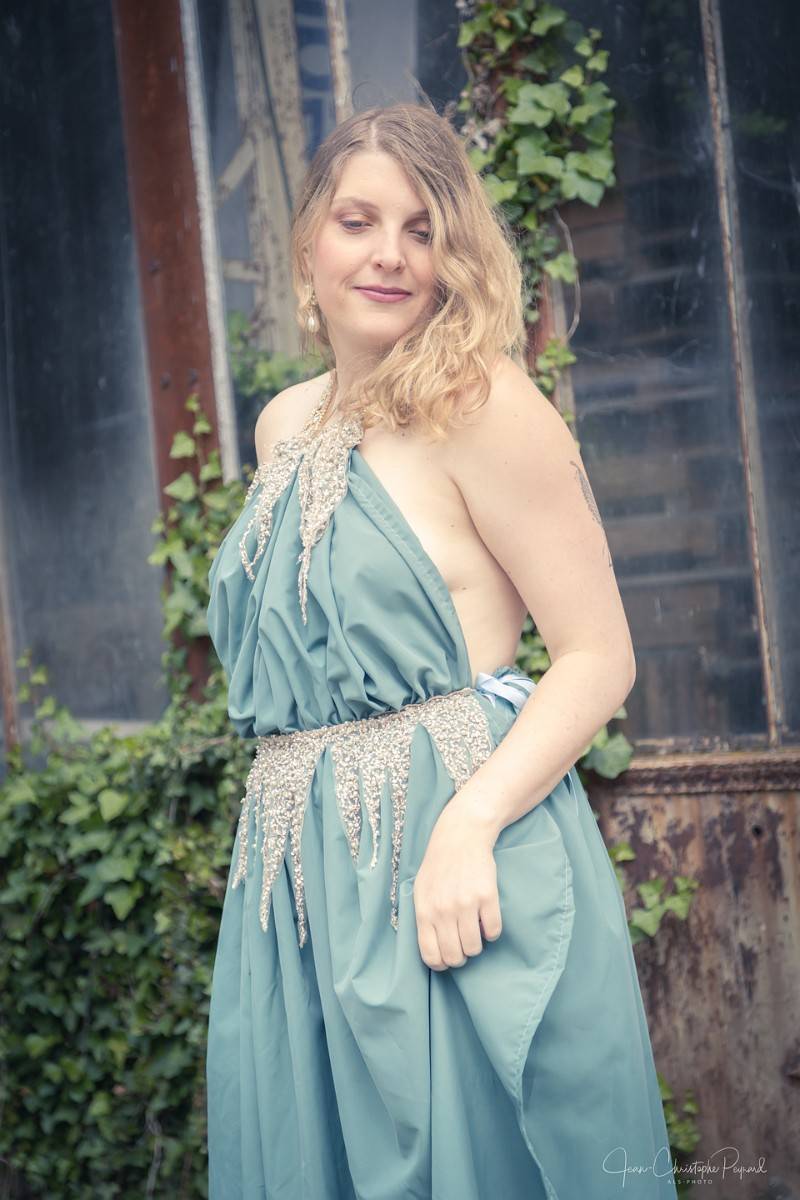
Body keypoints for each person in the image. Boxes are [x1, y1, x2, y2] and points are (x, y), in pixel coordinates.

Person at [205, 102, 678, 1200]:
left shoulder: (484, 404)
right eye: (358, 221)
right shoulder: (282, 425)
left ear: (452, 253)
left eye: (421, 230)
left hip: (453, 857)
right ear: (307, 242)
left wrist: (467, 826)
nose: (389, 254)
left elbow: (598, 654)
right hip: (298, 878)